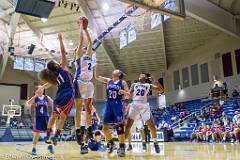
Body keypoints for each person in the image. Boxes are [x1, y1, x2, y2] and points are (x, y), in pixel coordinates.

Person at [37, 33, 75, 146]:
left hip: (59, 94)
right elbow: (63, 52)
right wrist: (60, 39)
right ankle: (56, 136)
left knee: (54, 116)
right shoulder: (62, 67)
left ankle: (48, 135)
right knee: (62, 117)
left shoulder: (54, 75)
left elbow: (49, 84)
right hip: (68, 93)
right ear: (56, 64)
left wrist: (42, 87)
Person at [95, 61, 130, 157]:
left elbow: (128, 95)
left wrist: (124, 92)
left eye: (117, 70)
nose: (115, 70)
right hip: (108, 105)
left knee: (119, 127)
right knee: (104, 128)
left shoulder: (122, 82)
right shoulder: (108, 80)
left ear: (119, 74)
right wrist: (97, 65)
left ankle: (122, 147)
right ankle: (111, 143)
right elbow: (97, 76)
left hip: (118, 104)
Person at [125, 73, 163, 153]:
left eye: (143, 75)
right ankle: (123, 145)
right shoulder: (134, 84)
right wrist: (125, 93)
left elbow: (161, 90)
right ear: (139, 78)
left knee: (151, 125)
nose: (142, 76)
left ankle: (155, 143)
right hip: (134, 104)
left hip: (144, 105)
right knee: (128, 126)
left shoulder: (148, 85)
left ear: (145, 78)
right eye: (140, 75)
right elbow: (128, 94)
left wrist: (155, 81)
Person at [73, 17, 94, 154]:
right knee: (79, 108)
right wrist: (81, 26)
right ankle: (77, 131)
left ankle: (89, 129)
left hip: (89, 84)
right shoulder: (79, 55)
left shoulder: (89, 54)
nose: (85, 48)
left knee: (88, 109)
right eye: (82, 48)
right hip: (79, 82)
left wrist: (86, 30)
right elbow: (81, 41)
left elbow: (90, 42)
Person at [26, 86, 54, 155]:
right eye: (38, 88)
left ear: (43, 90)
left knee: (50, 132)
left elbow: (53, 103)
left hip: (45, 117)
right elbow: (27, 104)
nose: (40, 89)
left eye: (41, 88)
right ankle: (34, 148)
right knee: (36, 134)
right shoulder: (35, 97)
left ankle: (50, 146)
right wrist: (33, 97)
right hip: (38, 117)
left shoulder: (46, 97)